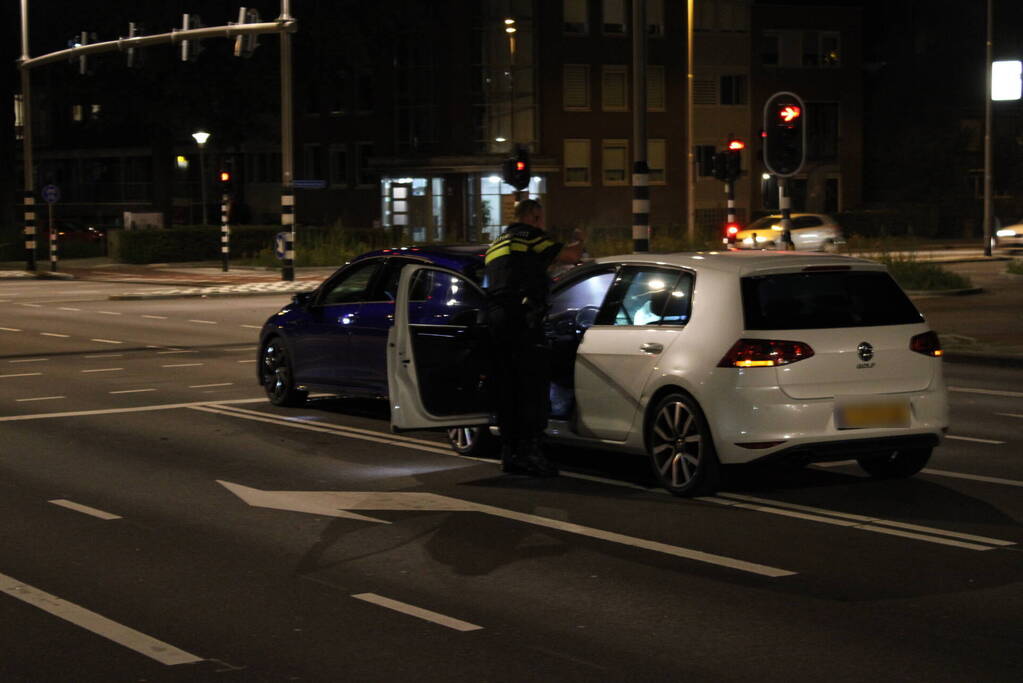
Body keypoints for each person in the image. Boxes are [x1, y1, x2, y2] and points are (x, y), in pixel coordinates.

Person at [483, 199, 585, 476]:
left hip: (496, 320)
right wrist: (580, 240)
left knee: (508, 388)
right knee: (532, 387)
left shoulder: (497, 244)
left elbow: (514, 273)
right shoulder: (529, 237)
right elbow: (570, 257)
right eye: (539, 218)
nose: (541, 224)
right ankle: (531, 454)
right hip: (522, 319)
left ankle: (509, 453)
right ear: (531, 217)